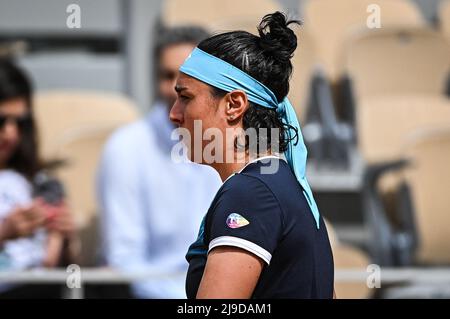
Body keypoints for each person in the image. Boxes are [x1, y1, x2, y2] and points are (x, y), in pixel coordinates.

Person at [169, 12, 335, 298]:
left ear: (234, 104)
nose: (174, 114)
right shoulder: (279, 184)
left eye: (185, 97)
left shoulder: (250, 193)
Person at [97, 26, 222, 298]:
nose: (177, 88)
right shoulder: (125, 148)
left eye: (189, 76)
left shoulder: (235, 144)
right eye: (167, 76)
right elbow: (125, 259)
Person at [0, 59, 77, 296]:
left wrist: (64, 237)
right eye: (1, 121)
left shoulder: (41, 182)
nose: (11, 133)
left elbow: (60, 265)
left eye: (20, 122)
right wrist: (5, 232)